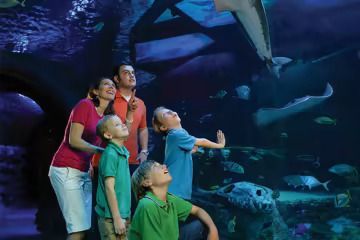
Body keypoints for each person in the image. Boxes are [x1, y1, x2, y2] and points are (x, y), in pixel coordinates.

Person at [48, 77, 116, 240]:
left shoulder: (105, 118)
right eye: (106, 84)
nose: (111, 87)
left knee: (83, 228)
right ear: (95, 91)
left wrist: (90, 163)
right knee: (77, 230)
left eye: (113, 85)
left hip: (83, 171)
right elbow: (74, 140)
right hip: (66, 168)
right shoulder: (85, 105)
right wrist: (101, 151)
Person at [129, 160, 219, 240]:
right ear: (147, 182)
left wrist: (213, 229)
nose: (164, 166)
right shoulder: (147, 205)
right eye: (156, 166)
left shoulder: (169, 199)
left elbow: (198, 210)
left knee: (199, 224)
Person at [152, 107, 226, 200]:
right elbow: (202, 141)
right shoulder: (176, 135)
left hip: (175, 186)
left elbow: (175, 157)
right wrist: (220, 145)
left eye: (170, 111)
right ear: (163, 127)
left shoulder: (179, 134)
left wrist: (190, 152)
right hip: (174, 188)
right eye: (166, 114)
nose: (171, 112)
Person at [95, 113, 134, 240]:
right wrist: (117, 218)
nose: (123, 125)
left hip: (123, 215)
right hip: (111, 218)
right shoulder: (111, 154)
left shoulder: (122, 152)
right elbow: (109, 188)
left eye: (121, 122)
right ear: (108, 135)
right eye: (117, 124)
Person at [113, 63, 148, 174]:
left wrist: (144, 150)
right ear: (116, 79)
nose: (131, 75)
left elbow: (143, 128)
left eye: (133, 73)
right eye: (126, 73)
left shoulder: (140, 103)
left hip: (133, 161)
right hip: (110, 160)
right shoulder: (109, 100)